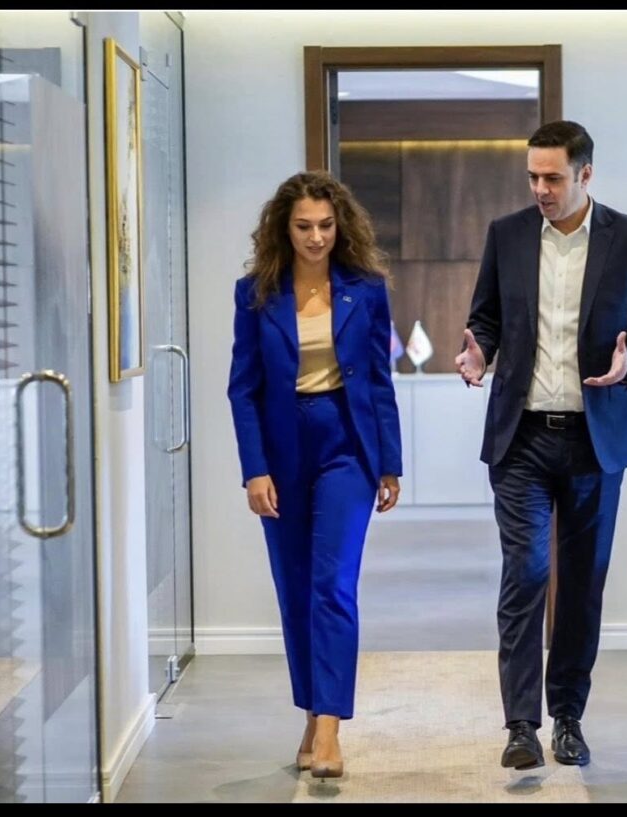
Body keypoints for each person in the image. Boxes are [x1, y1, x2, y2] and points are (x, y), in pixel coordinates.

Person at [455, 120, 627, 769]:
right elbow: (486, 316)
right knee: (525, 572)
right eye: (533, 177)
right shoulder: (508, 234)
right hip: (521, 435)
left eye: (552, 177)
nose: (541, 189)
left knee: (581, 584)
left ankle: (568, 718)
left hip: (594, 440)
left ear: (585, 174)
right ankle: (521, 724)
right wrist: (479, 351)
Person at [227, 170, 403, 779]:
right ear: (284, 228)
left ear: (340, 226)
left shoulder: (366, 290)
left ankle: (329, 727)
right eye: (304, 226)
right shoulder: (255, 293)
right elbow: (243, 389)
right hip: (282, 451)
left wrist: (390, 462)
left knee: (333, 584)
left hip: (346, 446)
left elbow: (378, 380)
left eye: (326, 225)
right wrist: (254, 470)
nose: (316, 237)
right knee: (295, 587)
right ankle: (311, 710)